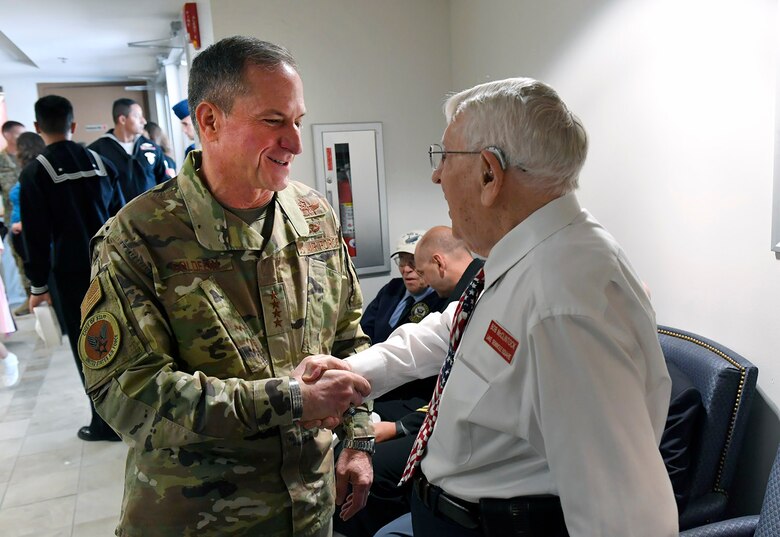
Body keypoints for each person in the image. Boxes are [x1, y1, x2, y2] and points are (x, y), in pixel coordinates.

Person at [299, 77, 678, 536]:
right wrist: (350, 371)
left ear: (488, 173)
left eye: (444, 158)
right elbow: (448, 332)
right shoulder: (526, 253)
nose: (435, 176)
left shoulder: (565, 300)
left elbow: (622, 513)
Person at [78, 36, 374, 537]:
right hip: (197, 521)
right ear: (210, 121)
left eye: (298, 120)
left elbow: (348, 339)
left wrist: (358, 437)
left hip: (310, 511)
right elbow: (135, 399)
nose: (296, 143)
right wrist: (292, 401)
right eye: (274, 121)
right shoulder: (139, 238)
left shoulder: (312, 216)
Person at [334, 225, 483, 537]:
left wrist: (400, 426)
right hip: (437, 435)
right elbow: (414, 345)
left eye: (420, 268)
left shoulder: (490, 286)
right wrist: (340, 374)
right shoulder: (478, 288)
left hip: (461, 451)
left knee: (373, 464)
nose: (437, 176)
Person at [19, 95, 125, 441]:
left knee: (89, 345)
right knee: (122, 339)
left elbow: (36, 235)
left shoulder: (36, 172)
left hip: (70, 274)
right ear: (73, 124)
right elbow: (123, 215)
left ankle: (104, 422)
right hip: (113, 267)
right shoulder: (101, 161)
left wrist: (38, 286)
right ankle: (131, 413)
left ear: (38, 128)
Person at [360, 230, 449, 423]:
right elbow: (364, 331)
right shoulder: (392, 289)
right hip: (371, 383)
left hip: (409, 398)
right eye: (401, 261)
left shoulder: (442, 302)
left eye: (413, 262)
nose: (406, 269)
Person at [88, 98, 168, 202]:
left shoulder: (153, 148)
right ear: (122, 119)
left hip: (152, 214)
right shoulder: (97, 151)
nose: (143, 121)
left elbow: (164, 181)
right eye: (137, 116)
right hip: (116, 216)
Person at [8, 132, 46, 316]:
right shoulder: (28, 170)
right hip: (20, 232)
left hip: (28, 231)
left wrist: (23, 223)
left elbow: (40, 206)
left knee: (37, 269)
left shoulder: (34, 172)